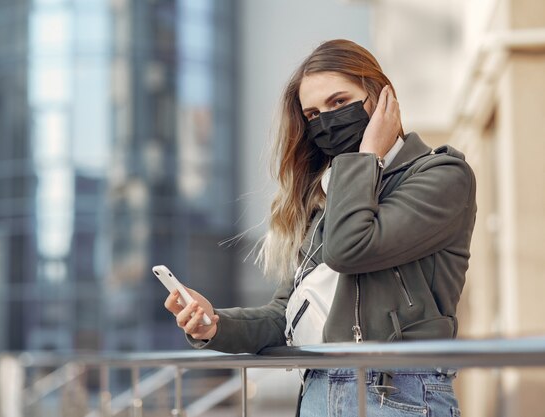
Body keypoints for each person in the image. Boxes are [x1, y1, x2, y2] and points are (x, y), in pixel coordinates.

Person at [163, 39, 476, 416]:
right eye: (312, 114)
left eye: (340, 102)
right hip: (319, 391)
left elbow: (348, 250)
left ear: (381, 97)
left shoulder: (440, 175)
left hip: (397, 392)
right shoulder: (330, 195)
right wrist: (213, 325)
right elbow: (288, 316)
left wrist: (366, 157)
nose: (326, 121)